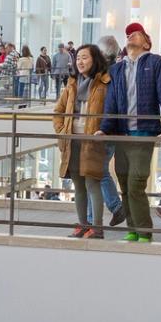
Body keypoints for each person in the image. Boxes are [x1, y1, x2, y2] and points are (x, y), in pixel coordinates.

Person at [101, 22, 161, 241]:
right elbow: (111, 101)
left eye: (136, 34)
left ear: (147, 41)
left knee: (136, 183)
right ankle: (132, 229)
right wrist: (105, 129)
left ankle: (145, 231)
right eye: (128, 34)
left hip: (144, 133)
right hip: (122, 134)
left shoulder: (156, 62)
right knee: (124, 183)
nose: (130, 36)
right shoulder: (117, 69)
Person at [55, 43, 115, 237]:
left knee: (92, 183)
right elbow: (59, 110)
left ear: (94, 59)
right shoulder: (72, 83)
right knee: (78, 185)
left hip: (93, 140)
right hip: (72, 139)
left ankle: (97, 228)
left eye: (85, 57)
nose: (80, 61)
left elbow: (111, 110)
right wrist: (61, 130)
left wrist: (104, 131)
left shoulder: (105, 82)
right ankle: (83, 224)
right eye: (78, 58)